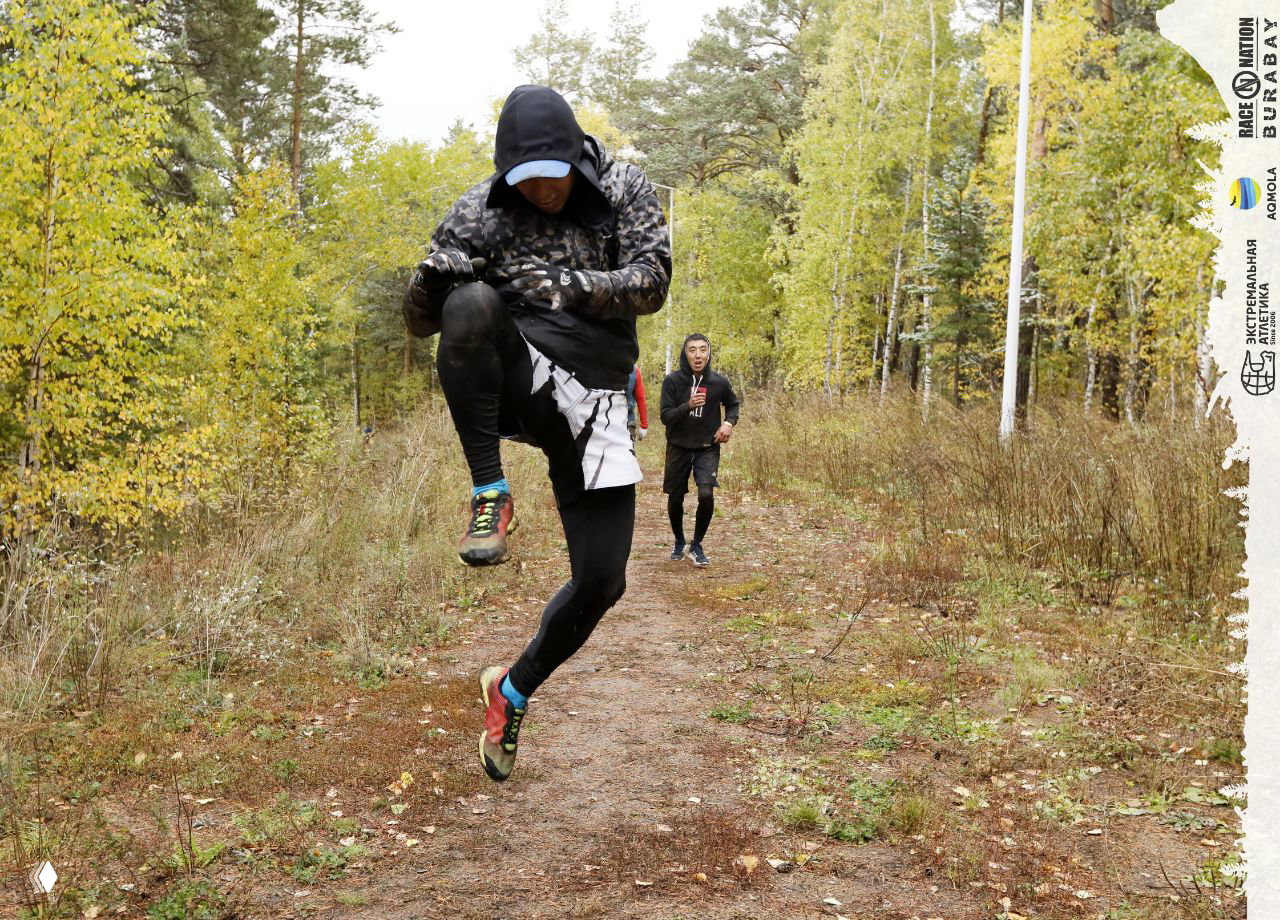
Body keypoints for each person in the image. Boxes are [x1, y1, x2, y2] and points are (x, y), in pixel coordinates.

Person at [401, 85, 671, 781]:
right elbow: (420, 323)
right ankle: (490, 492)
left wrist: (568, 284)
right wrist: (430, 285)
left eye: (551, 176)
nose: (541, 191)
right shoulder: (479, 208)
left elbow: (652, 282)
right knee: (468, 302)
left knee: (603, 581)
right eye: (524, 182)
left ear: (575, 158)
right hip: (523, 383)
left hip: (600, 398)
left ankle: (511, 691)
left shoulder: (623, 187)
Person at [659, 334, 740, 567]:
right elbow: (666, 416)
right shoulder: (672, 381)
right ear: (685, 354)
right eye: (692, 350)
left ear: (709, 353)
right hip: (678, 446)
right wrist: (688, 406)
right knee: (675, 497)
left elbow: (733, 404)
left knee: (706, 493)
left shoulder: (718, 382)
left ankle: (696, 545)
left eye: (703, 350)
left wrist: (728, 423)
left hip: (707, 447)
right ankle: (679, 540)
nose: (698, 355)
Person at [626, 363, 649, 444]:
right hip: (602, 420)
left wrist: (644, 425)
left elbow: (640, 398)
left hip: (628, 422)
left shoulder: (634, 370)